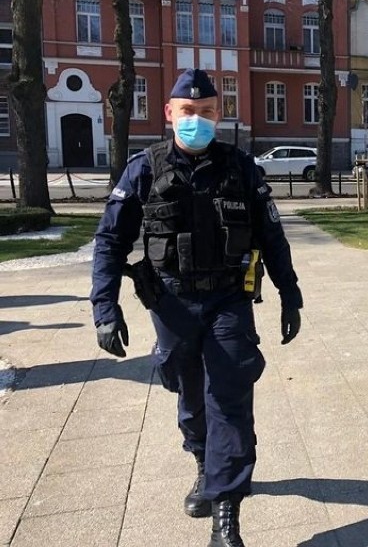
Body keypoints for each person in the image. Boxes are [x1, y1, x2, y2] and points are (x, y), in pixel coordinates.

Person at [90, 68, 303, 547]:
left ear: (219, 115)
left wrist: (290, 294)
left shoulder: (240, 167)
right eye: (188, 112)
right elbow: (109, 241)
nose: (197, 120)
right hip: (172, 302)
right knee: (188, 393)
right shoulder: (144, 168)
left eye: (206, 112)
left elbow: (272, 235)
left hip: (228, 299)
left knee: (229, 397)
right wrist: (105, 308)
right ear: (169, 114)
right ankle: (204, 464)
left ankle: (225, 512)